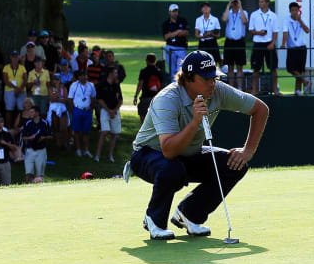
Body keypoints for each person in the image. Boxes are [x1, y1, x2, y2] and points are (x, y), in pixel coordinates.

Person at [129, 50, 269, 240]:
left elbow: (261, 109)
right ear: (188, 78)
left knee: (235, 165)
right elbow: (169, 151)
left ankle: (189, 214)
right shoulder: (167, 99)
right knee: (172, 169)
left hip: (188, 155)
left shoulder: (218, 90)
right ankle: (154, 219)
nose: (212, 83)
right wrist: (195, 122)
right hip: (148, 155)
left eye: (214, 77)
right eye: (206, 79)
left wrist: (248, 150)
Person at [249, 0, 280, 96]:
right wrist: (259, 32)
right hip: (258, 43)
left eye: (262, 2)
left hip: (269, 44)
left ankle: (276, 90)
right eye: (259, 1)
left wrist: (272, 43)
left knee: (273, 68)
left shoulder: (273, 16)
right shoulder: (254, 14)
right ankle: (254, 90)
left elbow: (275, 31)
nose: (260, 3)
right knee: (256, 68)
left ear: (267, 3)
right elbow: (251, 30)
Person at [281, 1, 311, 95]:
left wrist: (300, 21)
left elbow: (307, 30)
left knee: (299, 70)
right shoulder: (286, 20)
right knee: (290, 69)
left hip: (301, 47)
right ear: (290, 11)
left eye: (296, 10)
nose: (294, 12)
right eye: (292, 10)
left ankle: (298, 90)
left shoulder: (303, 18)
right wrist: (283, 44)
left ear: (298, 10)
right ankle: (306, 82)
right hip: (292, 48)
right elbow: (285, 33)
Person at [94, 66, 123, 162]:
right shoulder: (102, 84)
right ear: (110, 74)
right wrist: (109, 110)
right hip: (105, 111)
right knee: (104, 132)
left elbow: (120, 100)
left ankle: (110, 155)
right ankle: (97, 155)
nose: (117, 74)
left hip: (115, 112)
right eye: (115, 72)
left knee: (114, 133)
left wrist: (114, 110)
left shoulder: (116, 85)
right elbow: (99, 99)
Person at [221, 0, 249, 89]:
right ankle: (231, 87)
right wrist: (228, 6)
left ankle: (240, 87)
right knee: (230, 66)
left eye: (236, 2)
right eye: (233, 2)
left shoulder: (244, 12)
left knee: (240, 66)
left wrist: (240, 7)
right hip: (229, 42)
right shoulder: (228, 12)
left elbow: (245, 21)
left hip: (240, 41)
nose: (235, 4)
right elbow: (224, 19)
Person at [68, 69, 96, 158]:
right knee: (76, 131)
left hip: (87, 110)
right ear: (78, 77)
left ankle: (86, 150)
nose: (84, 77)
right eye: (82, 75)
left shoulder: (91, 85)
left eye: (85, 75)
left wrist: (91, 107)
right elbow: (70, 98)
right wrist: (73, 109)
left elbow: (93, 97)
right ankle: (78, 149)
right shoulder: (74, 85)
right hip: (77, 109)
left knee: (86, 131)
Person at [20, 105, 52, 183]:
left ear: (37, 113)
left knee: (39, 175)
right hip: (30, 150)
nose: (30, 113)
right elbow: (23, 137)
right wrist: (30, 137)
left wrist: (43, 138)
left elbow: (51, 136)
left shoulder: (45, 122)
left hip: (41, 151)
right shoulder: (28, 123)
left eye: (32, 112)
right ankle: (27, 186)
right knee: (28, 173)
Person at [162, 3, 189, 77]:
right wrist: (178, 31)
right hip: (170, 47)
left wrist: (172, 34)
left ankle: (179, 86)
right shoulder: (166, 23)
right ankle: (173, 86)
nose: (175, 13)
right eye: (173, 11)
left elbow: (186, 32)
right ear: (169, 12)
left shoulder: (183, 21)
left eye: (176, 11)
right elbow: (166, 36)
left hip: (181, 48)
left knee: (180, 69)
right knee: (172, 70)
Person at [134, 53, 161, 123]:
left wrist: (136, 96)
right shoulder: (159, 71)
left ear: (147, 60)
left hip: (145, 97)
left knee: (142, 114)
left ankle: (145, 131)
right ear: (155, 60)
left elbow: (140, 84)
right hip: (156, 98)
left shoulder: (144, 71)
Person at [2, 50, 27, 127]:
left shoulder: (22, 67)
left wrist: (20, 89)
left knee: (22, 110)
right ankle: (9, 127)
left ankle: (21, 127)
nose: (15, 58)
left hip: (21, 91)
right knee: (9, 110)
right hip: (9, 91)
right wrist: (16, 88)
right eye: (13, 56)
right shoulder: (6, 67)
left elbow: (25, 79)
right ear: (11, 57)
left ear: (18, 58)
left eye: (16, 57)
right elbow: (5, 80)